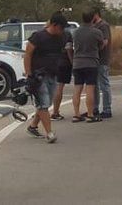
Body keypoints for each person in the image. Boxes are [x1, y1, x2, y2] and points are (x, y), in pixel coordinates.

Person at [24, 12, 70, 143]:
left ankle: (33, 126)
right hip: (38, 75)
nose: (62, 30)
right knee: (43, 103)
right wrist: (29, 74)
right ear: (54, 25)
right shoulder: (38, 37)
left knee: (47, 103)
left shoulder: (63, 37)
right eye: (61, 27)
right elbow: (28, 55)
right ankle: (49, 133)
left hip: (53, 73)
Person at [71, 9, 105, 122]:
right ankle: (90, 114)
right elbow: (101, 45)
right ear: (93, 18)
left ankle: (76, 114)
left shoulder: (75, 32)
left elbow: (71, 46)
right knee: (90, 89)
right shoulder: (96, 32)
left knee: (77, 89)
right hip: (91, 62)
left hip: (77, 62)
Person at [93, 7, 114, 119]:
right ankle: (94, 108)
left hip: (102, 59)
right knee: (94, 85)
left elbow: (105, 41)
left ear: (96, 14)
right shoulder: (93, 25)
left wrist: (95, 49)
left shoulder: (103, 25)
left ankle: (107, 109)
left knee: (104, 84)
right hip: (94, 59)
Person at [50, 28, 73, 120]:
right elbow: (69, 49)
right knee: (59, 87)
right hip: (63, 62)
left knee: (47, 87)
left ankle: (40, 111)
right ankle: (55, 112)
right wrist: (72, 62)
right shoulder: (67, 34)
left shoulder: (48, 33)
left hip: (51, 62)